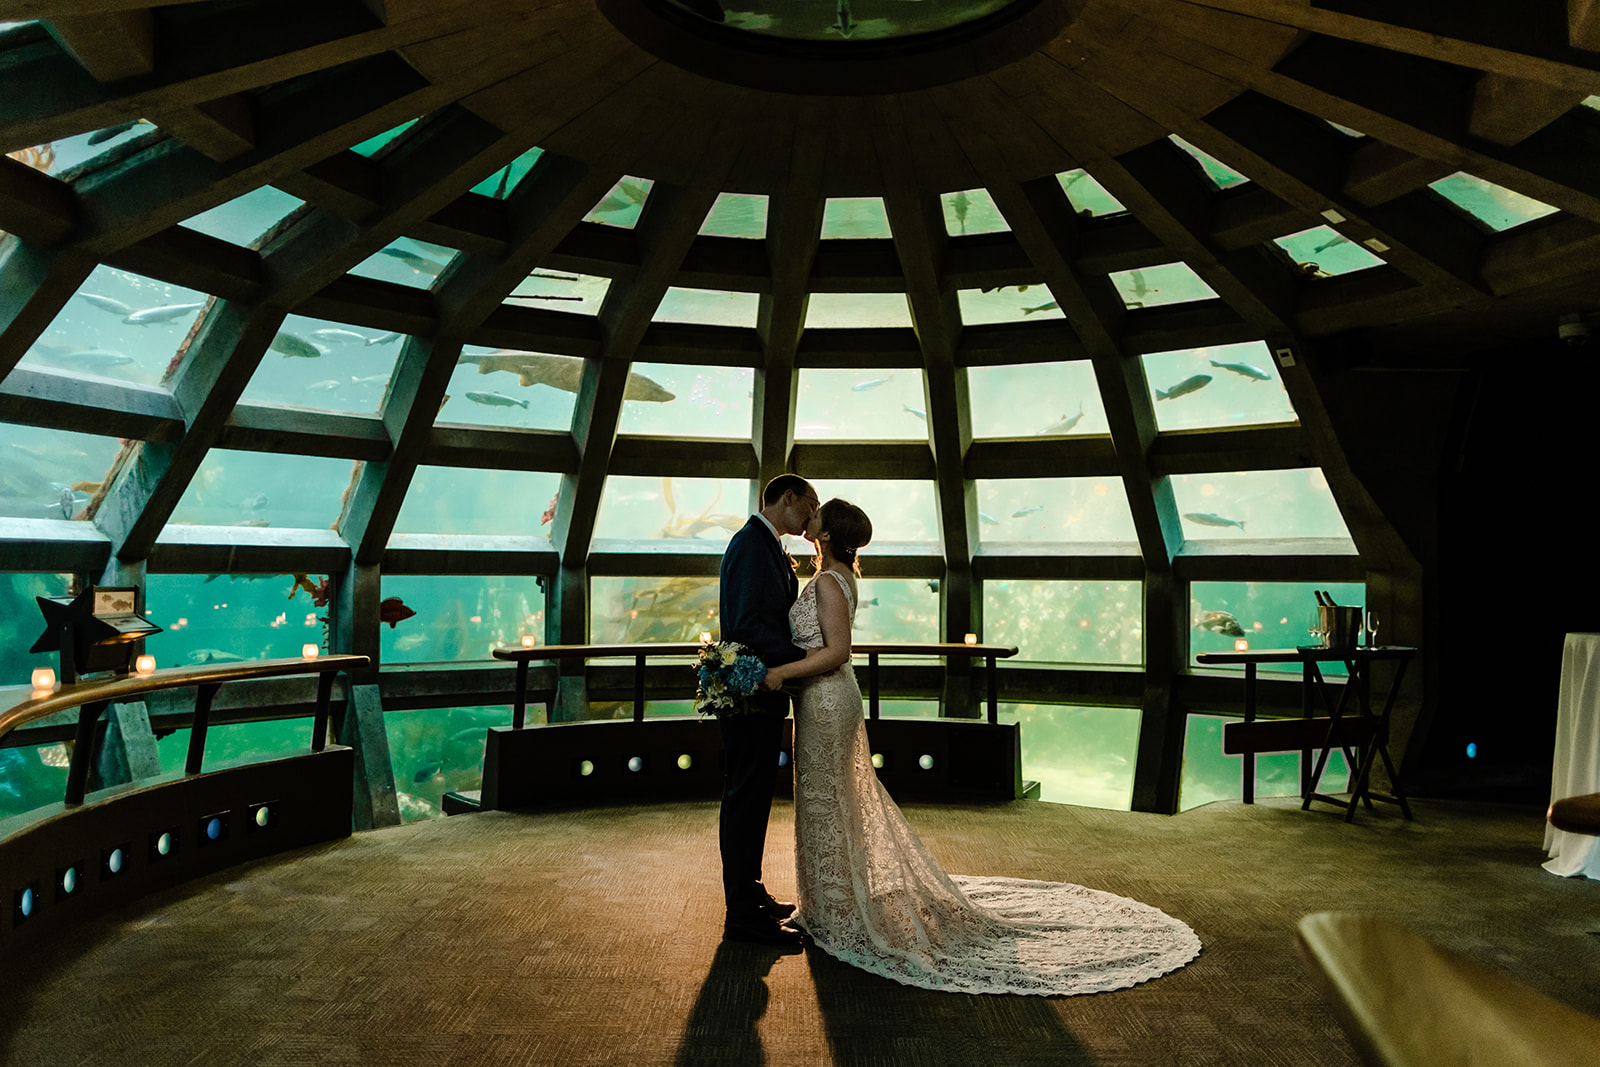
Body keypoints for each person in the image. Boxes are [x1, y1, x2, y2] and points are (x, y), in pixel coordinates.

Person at [762, 498, 1202, 995]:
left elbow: (838, 652)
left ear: (827, 532)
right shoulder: (839, 574)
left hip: (825, 700)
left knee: (830, 800)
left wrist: (780, 673)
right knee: (829, 801)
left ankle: (836, 908)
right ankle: (827, 900)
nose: (811, 515)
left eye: (819, 513)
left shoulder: (828, 580)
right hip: (821, 700)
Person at [716, 474, 819, 947]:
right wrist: (802, 662)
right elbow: (746, 626)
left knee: (755, 799)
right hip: (751, 695)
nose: (810, 516)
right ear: (788, 497)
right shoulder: (750, 544)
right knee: (744, 800)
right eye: (809, 504)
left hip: (763, 692)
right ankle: (741, 914)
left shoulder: (768, 544)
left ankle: (753, 894)